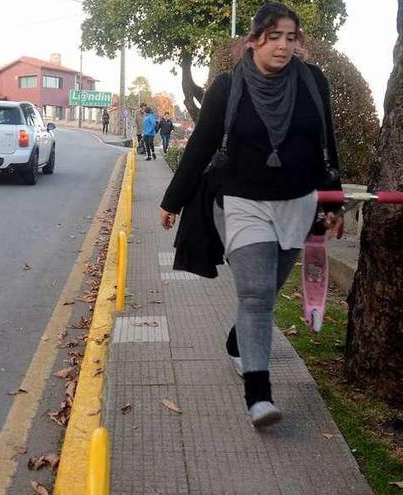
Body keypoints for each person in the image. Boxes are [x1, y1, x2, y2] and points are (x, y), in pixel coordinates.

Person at [158, 2, 344, 427]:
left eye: (291, 37)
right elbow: (201, 146)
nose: (283, 46)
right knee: (257, 294)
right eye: (274, 37)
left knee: (268, 289)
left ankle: (237, 340)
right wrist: (172, 201)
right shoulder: (227, 87)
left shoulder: (314, 82)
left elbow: (327, 145)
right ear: (253, 40)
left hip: (298, 203)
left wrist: (332, 201)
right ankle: (259, 396)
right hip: (243, 203)